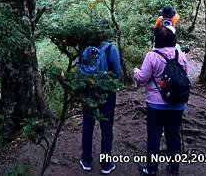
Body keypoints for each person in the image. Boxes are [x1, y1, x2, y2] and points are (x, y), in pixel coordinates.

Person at [134, 27, 188, 176]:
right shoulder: (181, 56)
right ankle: (174, 168)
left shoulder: (152, 56)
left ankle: (151, 169)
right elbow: (185, 77)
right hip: (176, 103)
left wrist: (135, 72)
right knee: (174, 135)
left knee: (154, 135)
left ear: (156, 40)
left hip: (155, 104)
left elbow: (142, 78)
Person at [78, 37, 123, 174]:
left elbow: (80, 70)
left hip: (88, 92)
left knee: (87, 126)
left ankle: (86, 160)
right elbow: (118, 73)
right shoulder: (110, 48)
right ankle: (106, 164)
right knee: (106, 128)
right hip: (106, 93)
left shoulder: (85, 47)